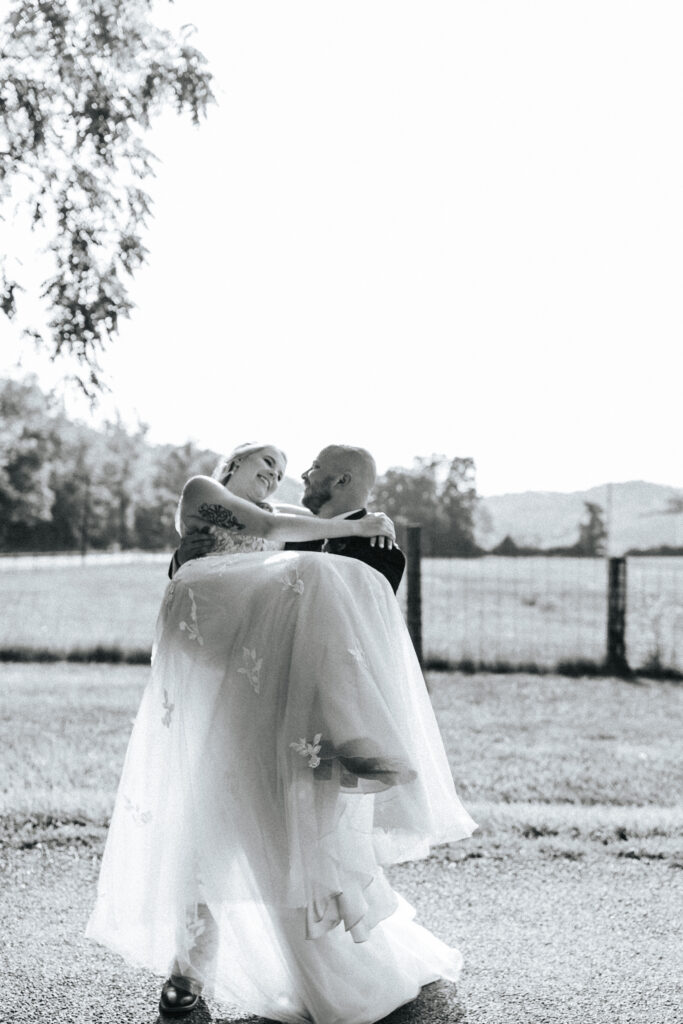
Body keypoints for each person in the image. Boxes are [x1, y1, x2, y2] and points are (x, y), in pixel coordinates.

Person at [86, 442, 477, 1024]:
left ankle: (328, 966)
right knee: (207, 826)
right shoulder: (214, 496)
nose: (281, 474)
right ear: (230, 467)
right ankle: (185, 975)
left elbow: (362, 616)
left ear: (342, 480)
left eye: (291, 469)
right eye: (264, 463)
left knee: (296, 844)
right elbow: (227, 565)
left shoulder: (367, 539)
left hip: (298, 716)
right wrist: (184, 562)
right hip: (231, 690)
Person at [169, 444, 406, 593]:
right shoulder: (201, 487)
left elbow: (326, 516)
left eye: (280, 476)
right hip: (206, 607)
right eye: (268, 462)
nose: (274, 474)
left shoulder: (277, 514)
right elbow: (269, 527)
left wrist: (375, 520)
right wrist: (180, 560)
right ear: (238, 460)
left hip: (252, 629)